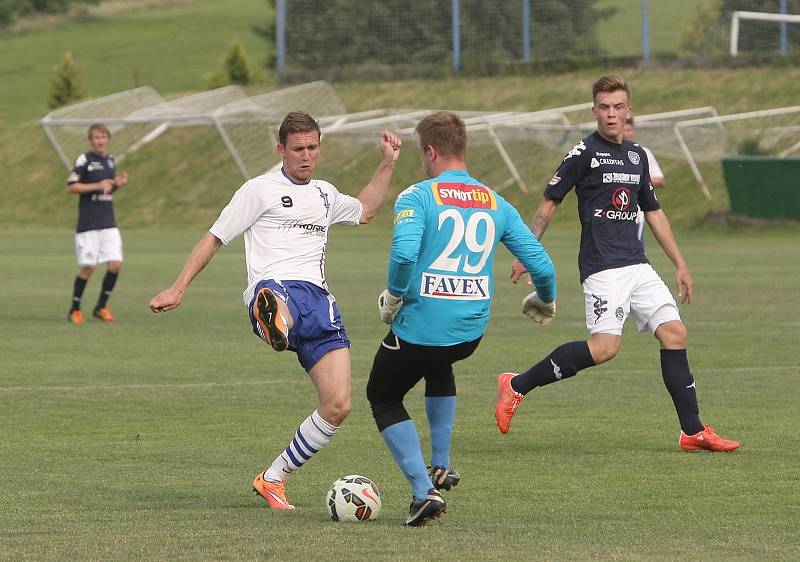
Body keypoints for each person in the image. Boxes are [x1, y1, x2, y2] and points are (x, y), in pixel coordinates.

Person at [148, 112, 402, 510]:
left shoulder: (323, 193)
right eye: (297, 149)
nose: (306, 156)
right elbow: (214, 239)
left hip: (320, 300)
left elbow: (366, 210)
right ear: (280, 150)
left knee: (338, 405)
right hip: (275, 286)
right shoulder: (259, 190)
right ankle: (272, 319)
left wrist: (386, 163)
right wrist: (179, 286)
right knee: (274, 299)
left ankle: (273, 478)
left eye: (312, 147)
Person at [496, 75, 739, 453]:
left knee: (675, 334)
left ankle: (692, 431)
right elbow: (548, 204)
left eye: (618, 107)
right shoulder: (583, 154)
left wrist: (680, 263)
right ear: (594, 111)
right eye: (604, 108)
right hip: (602, 267)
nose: (612, 115)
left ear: (629, 111)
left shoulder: (637, 155)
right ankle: (516, 385)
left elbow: (654, 212)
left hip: (638, 265)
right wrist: (527, 253)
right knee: (605, 348)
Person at [366, 111, 557, 526]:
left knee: (382, 395)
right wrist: (546, 300)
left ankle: (423, 492)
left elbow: (402, 255)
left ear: (430, 151)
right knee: (440, 364)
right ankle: (442, 464)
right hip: (469, 332)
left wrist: (394, 297)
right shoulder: (496, 202)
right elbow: (541, 265)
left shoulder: (417, 196)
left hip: (422, 328)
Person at [67, 123, 128, 324]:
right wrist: (97, 185)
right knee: (89, 267)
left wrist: (115, 185)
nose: (100, 140)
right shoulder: (85, 159)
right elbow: (72, 186)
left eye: (103, 136)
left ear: (107, 139)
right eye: (96, 137)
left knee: (116, 264)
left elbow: (106, 191)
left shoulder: (110, 161)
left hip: (108, 221)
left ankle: (101, 306)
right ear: (91, 140)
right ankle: (75, 309)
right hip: (88, 223)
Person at [623, 116, 666, 247]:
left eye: (628, 130)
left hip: (635, 215)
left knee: (635, 256)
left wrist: (633, 181)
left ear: (633, 131)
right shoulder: (603, 153)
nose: (625, 133)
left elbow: (660, 180)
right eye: (623, 129)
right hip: (608, 216)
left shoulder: (642, 153)